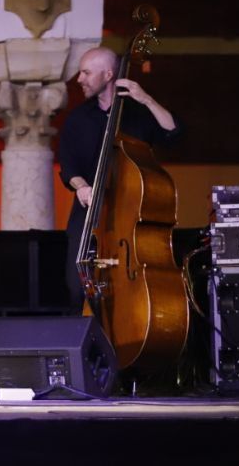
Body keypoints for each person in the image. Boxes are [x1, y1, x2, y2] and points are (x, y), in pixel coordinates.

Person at [57, 46, 182, 313]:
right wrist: (82, 187)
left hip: (130, 214)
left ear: (109, 74)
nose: (80, 79)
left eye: (86, 73)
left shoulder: (137, 113)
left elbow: (173, 133)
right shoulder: (78, 119)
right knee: (75, 284)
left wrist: (146, 99)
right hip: (88, 212)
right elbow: (68, 167)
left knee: (129, 287)